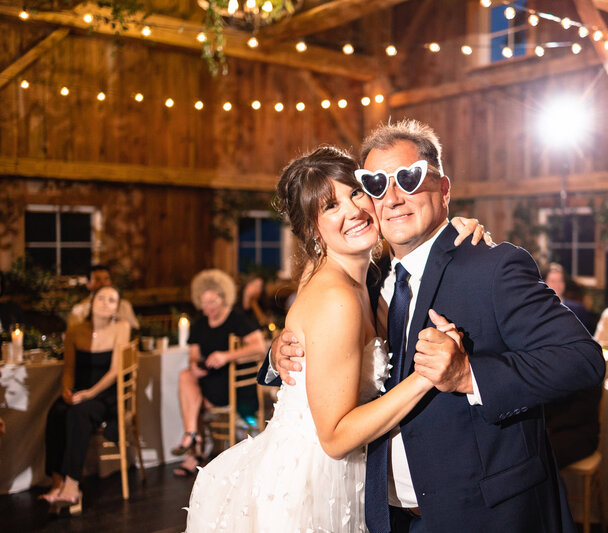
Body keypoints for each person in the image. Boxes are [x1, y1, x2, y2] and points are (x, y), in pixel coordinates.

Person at [270, 120, 605, 533]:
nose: (393, 198)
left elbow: (582, 360)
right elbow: (328, 344)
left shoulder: (491, 267)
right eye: (377, 185)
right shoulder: (369, 280)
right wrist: (281, 350)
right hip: (386, 516)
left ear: (444, 190)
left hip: (485, 517)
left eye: (409, 180)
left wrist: (468, 375)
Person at [185, 146, 482, 532]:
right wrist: (426, 376)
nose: (353, 210)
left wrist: (455, 227)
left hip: (345, 481)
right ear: (313, 230)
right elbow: (336, 438)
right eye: (330, 206)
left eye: (356, 193)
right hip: (310, 487)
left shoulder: (360, 275)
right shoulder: (337, 298)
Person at [42, 285, 131, 515]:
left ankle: (72, 484)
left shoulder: (121, 328)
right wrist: (66, 390)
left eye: (111, 300)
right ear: (91, 302)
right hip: (79, 391)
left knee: (78, 413)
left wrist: (90, 393)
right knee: (56, 411)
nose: (105, 303)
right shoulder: (75, 330)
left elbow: (115, 371)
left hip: (105, 394)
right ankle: (57, 482)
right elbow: (68, 369)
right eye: (101, 298)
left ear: (116, 308)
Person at [171, 269, 267, 477]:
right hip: (209, 380)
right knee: (186, 376)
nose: (208, 307)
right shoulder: (200, 324)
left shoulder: (238, 318)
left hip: (234, 383)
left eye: (212, 302)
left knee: (191, 397)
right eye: (204, 302)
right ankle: (192, 435)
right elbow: (193, 356)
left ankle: (193, 448)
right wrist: (196, 366)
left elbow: (259, 347)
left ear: (224, 298)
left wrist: (226, 356)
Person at [67, 264, 139, 329]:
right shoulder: (79, 310)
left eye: (106, 278)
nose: (103, 283)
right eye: (97, 279)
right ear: (88, 284)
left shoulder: (124, 306)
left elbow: (134, 330)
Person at [544, 263, 594, 331]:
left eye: (560, 280)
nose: (557, 285)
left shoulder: (578, 310)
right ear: (545, 283)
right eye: (553, 281)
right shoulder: (538, 309)